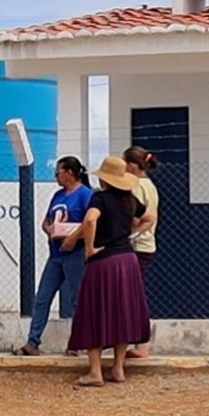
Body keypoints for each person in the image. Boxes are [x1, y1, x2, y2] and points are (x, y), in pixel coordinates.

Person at [63, 156, 155, 387]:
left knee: (94, 313)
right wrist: (132, 233)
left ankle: (95, 371)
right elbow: (150, 217)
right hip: (127, 260)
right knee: (122, 313)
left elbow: (91, 220)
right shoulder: (129, 200)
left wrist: (90, 248)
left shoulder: (100, 198)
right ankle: (118, 368)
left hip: (104, 262)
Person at [17, 156, 94, 356]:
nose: (56, 177)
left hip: (75, 253)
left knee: (77, 299)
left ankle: (76, 343)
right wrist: (49, 229)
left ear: (69, 173)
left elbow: (90, 223)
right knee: (42, 298)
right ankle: (33, 341)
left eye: (58, 172)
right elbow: (47, 220)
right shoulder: (58, 195)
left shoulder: (86, 195)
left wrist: (73, 238)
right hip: (56, 254)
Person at [123, 146, 160, 359]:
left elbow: (136, 216)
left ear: (131, 165)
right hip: (146, 245)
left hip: (136, 246)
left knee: (133, 296)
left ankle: (141, 343)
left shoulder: (136, 187)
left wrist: (129, 233)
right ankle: (138, 342)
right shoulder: (151, 186)